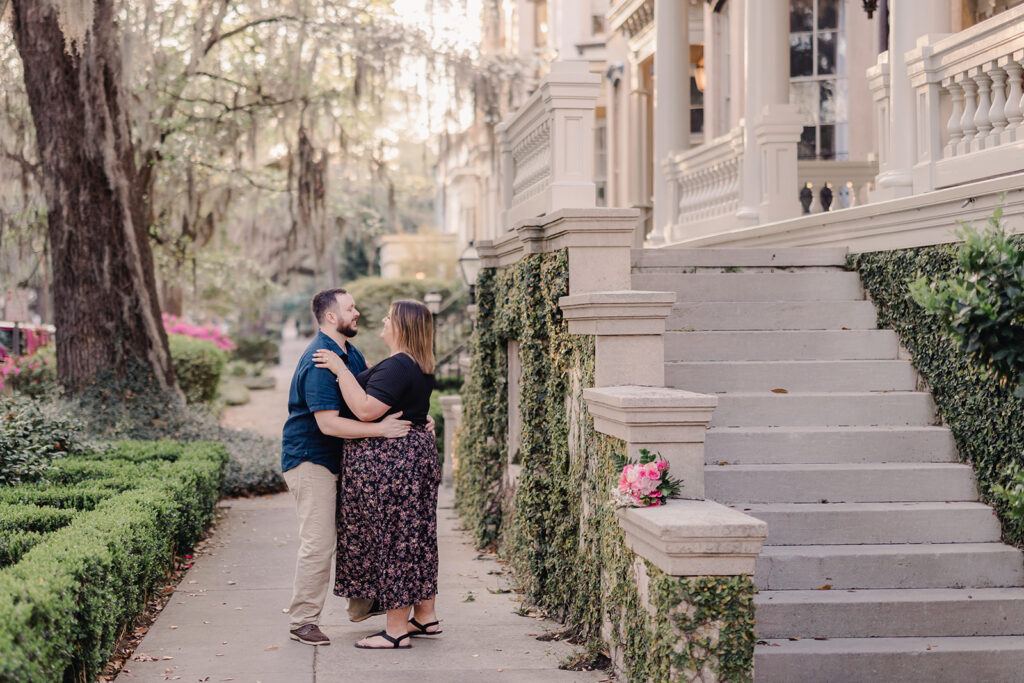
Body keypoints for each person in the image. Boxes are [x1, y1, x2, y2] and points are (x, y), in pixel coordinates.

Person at [282, 288, 412, 647]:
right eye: (350, 308)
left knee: (359, 535)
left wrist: (418, 419)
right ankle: (302, 621)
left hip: (343, 462)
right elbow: (328, 424)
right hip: (312, 460)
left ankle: (362, 608)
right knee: (319, 542)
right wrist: (379, 431)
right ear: (329, 317)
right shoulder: (320, 360)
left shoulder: (350, 355)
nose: (357, 313)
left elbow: (374, 400)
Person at [313, 299, 441, 650]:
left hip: (393, 466)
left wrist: (340, 371)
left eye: (389, 316)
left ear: (400, 326)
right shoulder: (413, 363)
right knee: (416, 537)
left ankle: (396, 630)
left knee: (395, 540)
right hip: (411, 461)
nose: (382, 320)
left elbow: (366, 410)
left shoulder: (400, 364)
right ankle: (425, 616)